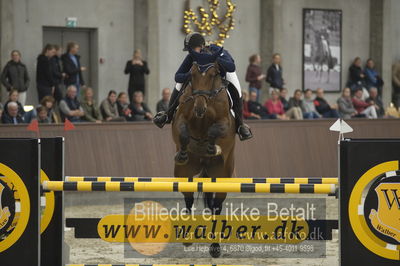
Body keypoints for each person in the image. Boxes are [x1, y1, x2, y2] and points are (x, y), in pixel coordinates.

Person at [153, 32, 252, 141]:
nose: (191, 53)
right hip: (200, 80)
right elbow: (177, 76)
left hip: (224, 74)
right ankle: (168, 114)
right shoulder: (192, 56)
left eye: (192, 49)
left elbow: (231, 67)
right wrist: (189, 75)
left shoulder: (216, 50)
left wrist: (215, 59)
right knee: (179, 84)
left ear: (201, 46)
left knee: (237, 89)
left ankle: (240, 124)